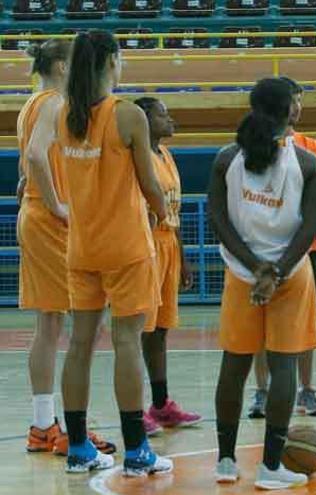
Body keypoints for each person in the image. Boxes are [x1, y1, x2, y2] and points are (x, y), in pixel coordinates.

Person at [27, 29, 172, 476]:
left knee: (80, 346)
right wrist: (164, 211)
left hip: (81, 244)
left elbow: (32, 161)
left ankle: (78, 449)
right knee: (127, 341)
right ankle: (136, 450)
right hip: (126, 245)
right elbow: (150, 184)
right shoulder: (127, 116)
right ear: (111, 60)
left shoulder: (62, 113)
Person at [209, 77, 316, 489]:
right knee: (283, 366)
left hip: (242, 275)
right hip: (289, 277)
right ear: (290, 110)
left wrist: (255, 267)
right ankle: (270, 466)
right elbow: (309, 226)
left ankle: (225, 460)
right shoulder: (307, 164)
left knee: (234, 366)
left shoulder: (226, 158)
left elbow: (218, 221)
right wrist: (275, 272)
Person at [18, 38, 115, 457]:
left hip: (34, 215)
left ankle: (44, 425)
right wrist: (57, 201)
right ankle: (74, 425)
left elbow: (31, 161)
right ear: (61, 67)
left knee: (49, 326)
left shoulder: (31, 103)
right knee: (86, 326)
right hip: (50, 218)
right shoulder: (57, 101)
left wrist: (39, 189)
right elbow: (37, 156)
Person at [247, 77, 316, 419]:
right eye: (293, 100)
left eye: (301, 101)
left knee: (305, 325)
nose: (297, 108)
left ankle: (307, 389)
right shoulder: (253, 146)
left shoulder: (311, 147)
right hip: (264, 246)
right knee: (261, 325)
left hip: (306, 249)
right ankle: (262, 392)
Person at [132, 97, 202, 436]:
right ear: (144, 119)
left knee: (160, 329)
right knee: (139, 329)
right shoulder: (136, 157)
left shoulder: (166, 155)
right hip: (144, 245)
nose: (170, 118)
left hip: (168, 243)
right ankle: (134, 409)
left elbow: (173, 212)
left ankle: (160, 406)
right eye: (162, 114)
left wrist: (182, 255)